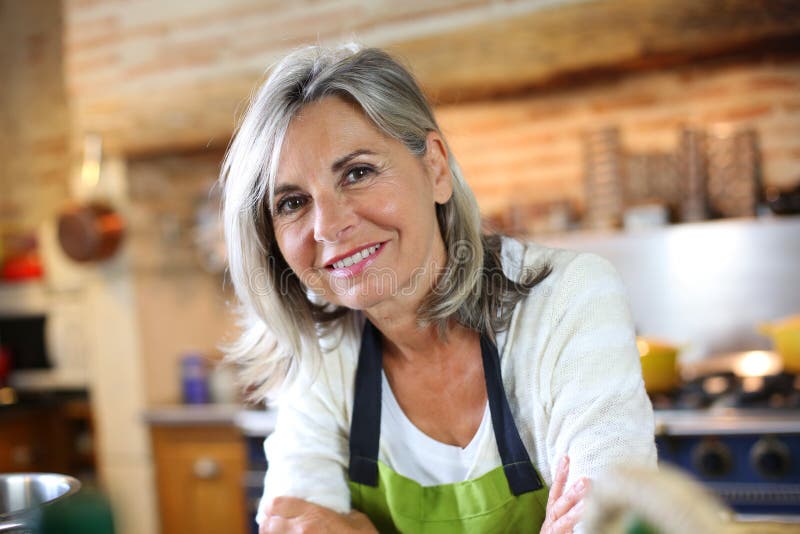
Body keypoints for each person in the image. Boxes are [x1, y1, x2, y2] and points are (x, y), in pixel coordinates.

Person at [220, 43, 657, 533]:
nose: (329, 225)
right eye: (293, 202)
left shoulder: (567, 297)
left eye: (358, 172)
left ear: (436, 168)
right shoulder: (322, 355)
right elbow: (292, 524)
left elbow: (610, 521)